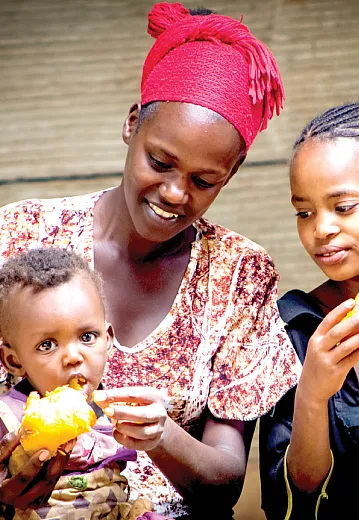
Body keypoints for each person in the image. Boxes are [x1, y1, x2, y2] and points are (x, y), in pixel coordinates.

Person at [0, 3, 301, 518]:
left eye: (205, 181)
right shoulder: (19, 235)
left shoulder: (237, 272)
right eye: (159, 162)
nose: (174, 194)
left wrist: (164, 438)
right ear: (132, 124)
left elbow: (225, 482)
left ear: (232, 171)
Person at [259, 101, 359, 519]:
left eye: (343, 207)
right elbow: (290, 499)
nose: (321, 229)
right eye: (304, 212)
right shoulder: (293, 326)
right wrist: (312, 394)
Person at [0, 247, 167, 520]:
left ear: (108, 338)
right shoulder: (8, 418)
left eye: (87, 337)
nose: (74, 357)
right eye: (47, 345)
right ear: (14, 360)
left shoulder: (118, 413)